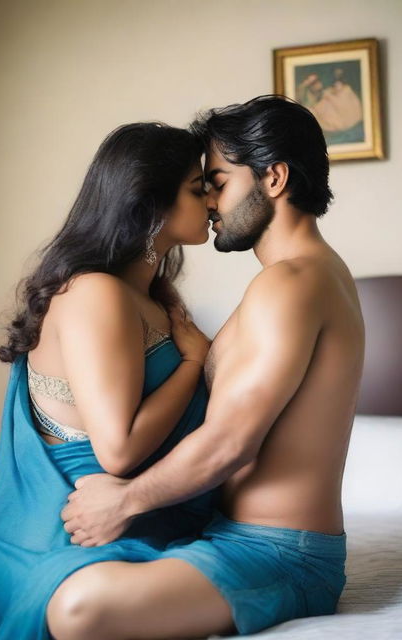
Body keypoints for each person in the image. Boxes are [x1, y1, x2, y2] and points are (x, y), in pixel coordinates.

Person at [53, 94, 366, 639]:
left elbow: (232, 441)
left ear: (273, 179)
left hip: (279, 552)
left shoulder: (290, 283)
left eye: (217, 182)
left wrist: (125, 501)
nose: (210, 202)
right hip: (231, 535)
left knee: (79, 609)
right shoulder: (307, 275)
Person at [0, 121, 223, 639]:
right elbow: (117, 453)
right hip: (73, 528)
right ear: (152, 203)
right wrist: (193, 365)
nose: (213, 200)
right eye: (198, 188)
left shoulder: (151, 294)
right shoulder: (95, 293)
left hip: (138, 511)